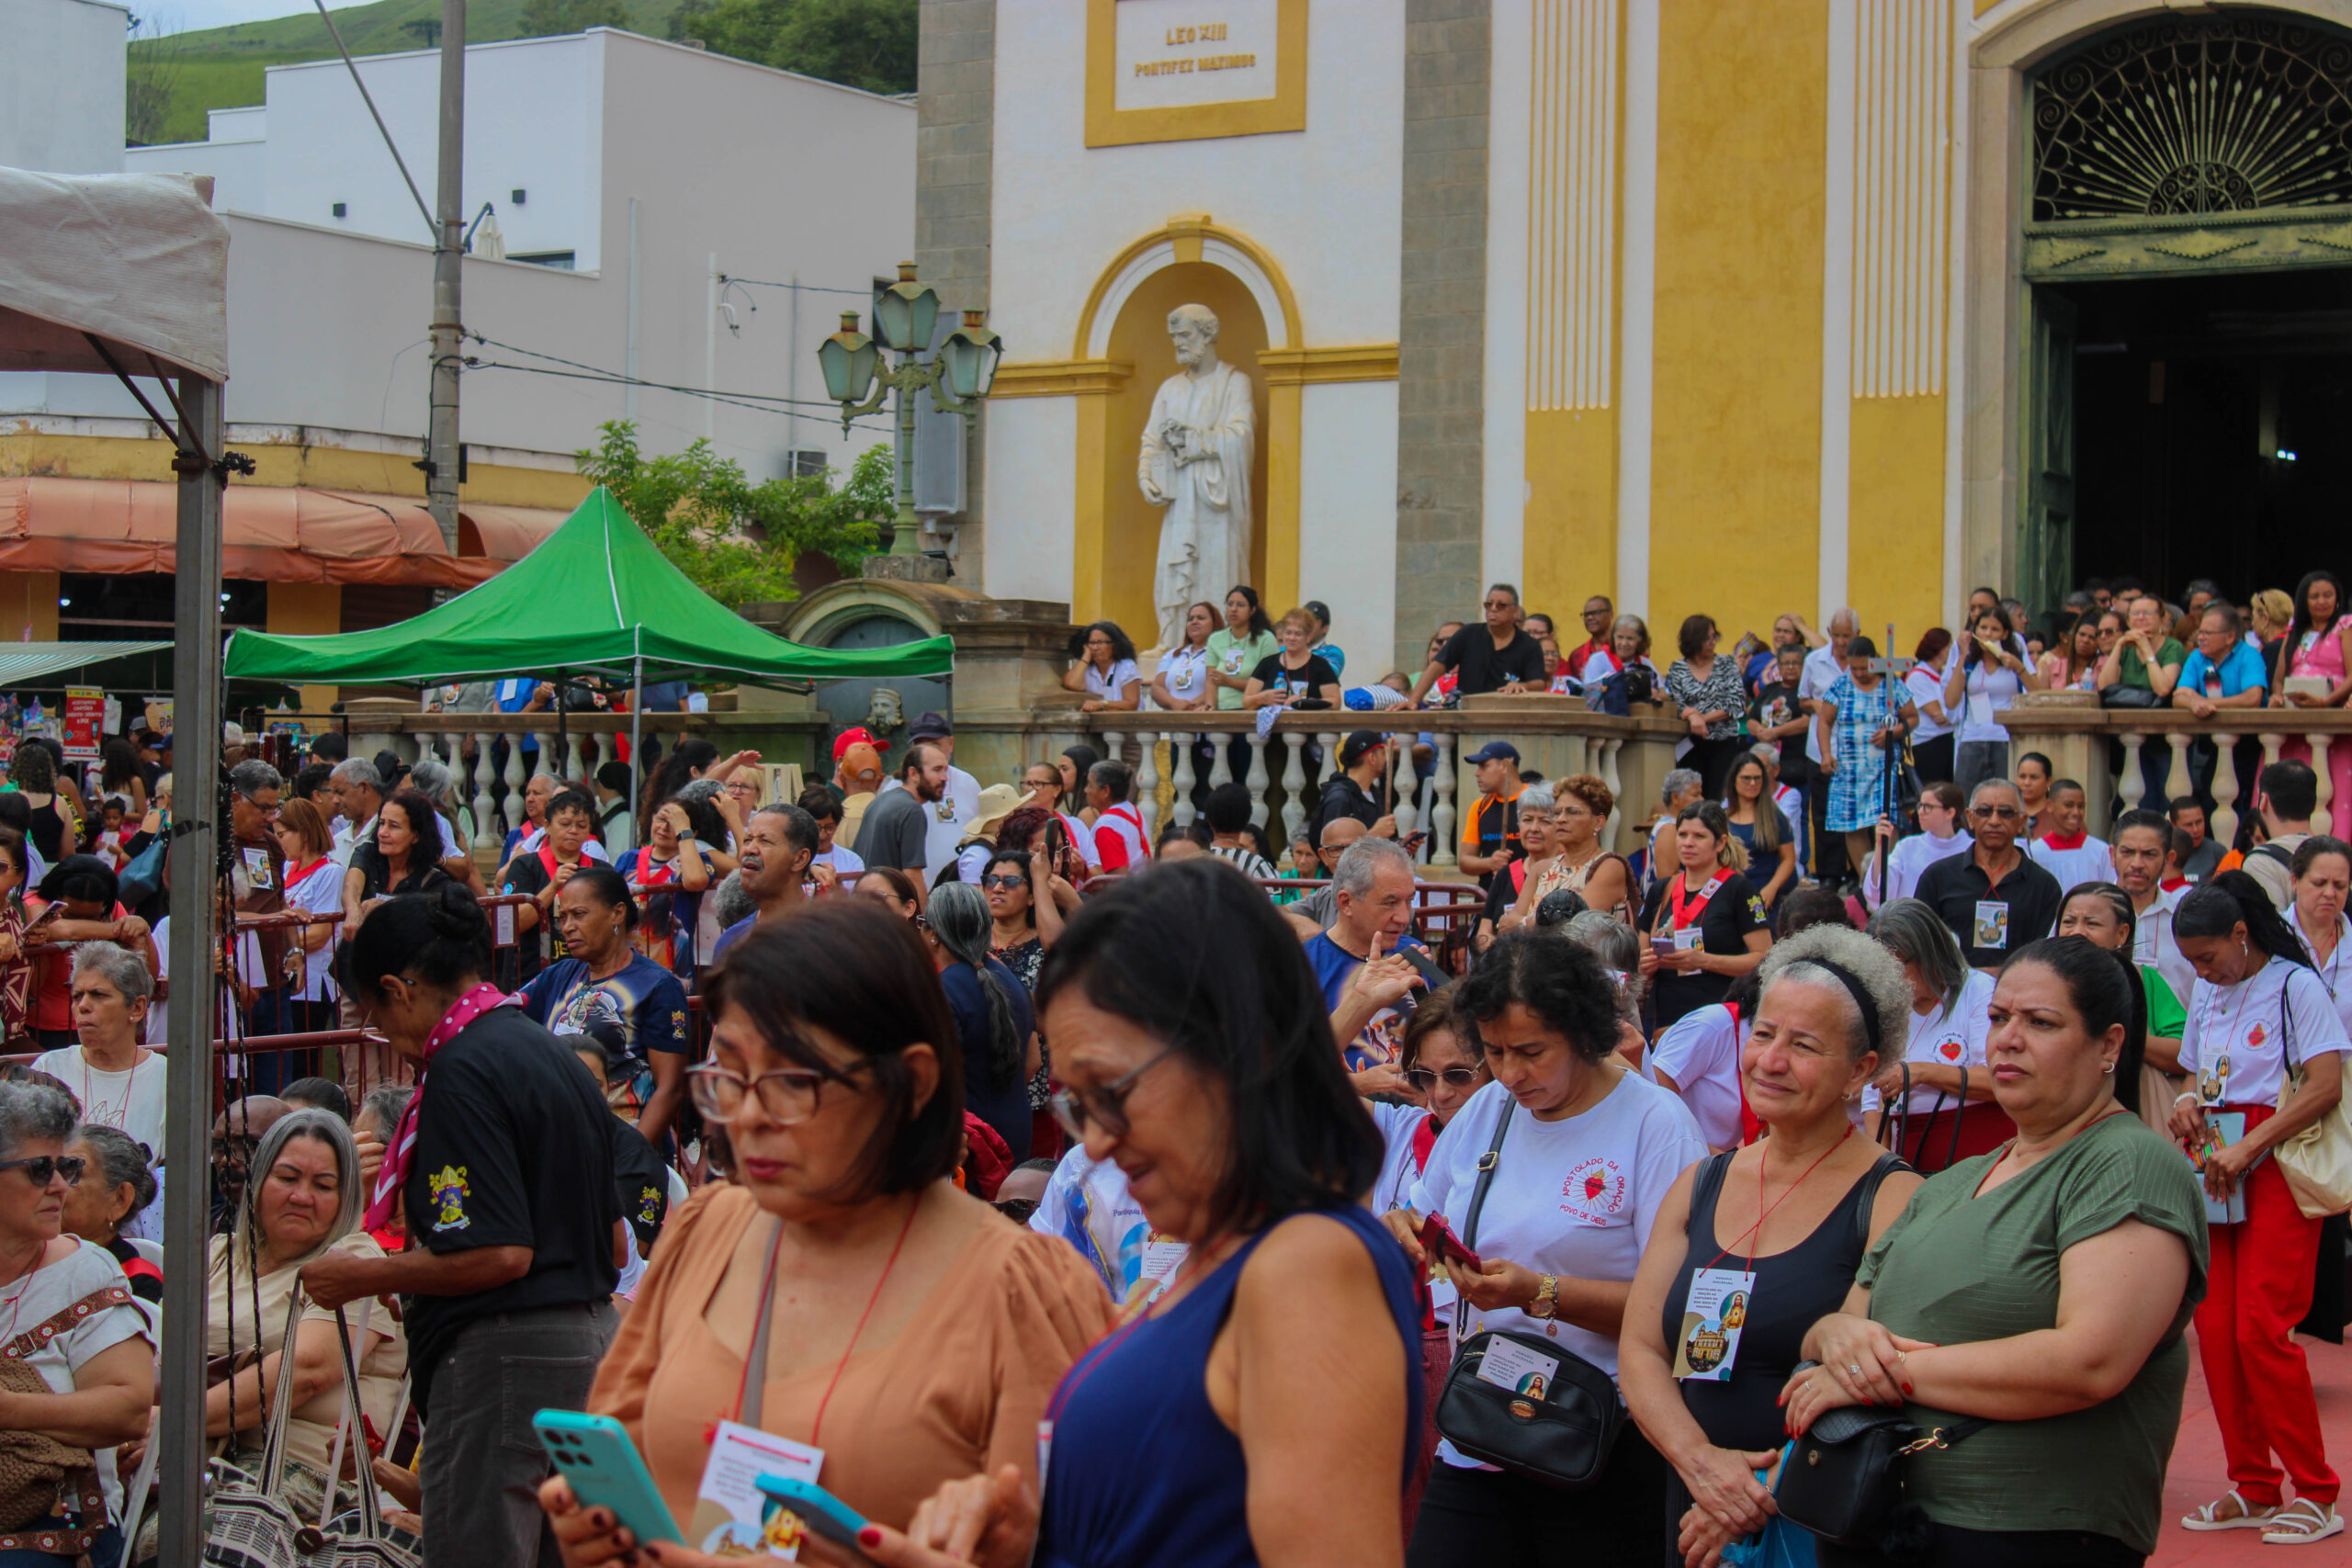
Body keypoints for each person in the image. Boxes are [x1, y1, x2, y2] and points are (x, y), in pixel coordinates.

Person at [849, 861, 1421, 1568]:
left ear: (1240, 1049)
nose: (1094, 1140)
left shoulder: (1307, 1265)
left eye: (1114, 1090)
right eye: (1078, 1103)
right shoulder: (1230, 1252)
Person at [541, 899, 1114, 1563]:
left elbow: (1076, 1533)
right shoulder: (708, 1231)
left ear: (914, 1081)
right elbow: (618, 1446)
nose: (747, 1115)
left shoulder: (1023, 1293)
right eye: (729, 1076)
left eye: (790, 1081)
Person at [1783, 935, 2210, 1567]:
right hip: (1876, 1513)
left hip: (2028, 1532)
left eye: (2041, 1022)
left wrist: (1874, 1373)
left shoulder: (2127, 1162)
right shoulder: (1952, 1181)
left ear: (2109, 1046)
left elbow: (2090, 1360)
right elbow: (1843, 1323)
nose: (2008, 1038)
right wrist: (1831, 1337)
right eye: (1999, 1017)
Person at [304, 883, 620, 1568]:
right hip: (589, 1343)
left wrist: (366, 1274)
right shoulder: (546, 1051)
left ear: (398, 988)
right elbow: (614, 1240)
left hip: (507, 1353)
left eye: (377, 1017)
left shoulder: (464, 1067)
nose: (387, 1039)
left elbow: (499, 1251)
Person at [1385, 928, 1707, 1568]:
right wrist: (1407, 1231)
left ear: (1585, 1032)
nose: (1509, 1073)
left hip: (1598, 1438)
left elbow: (1676, 1306)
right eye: (1495, 1052)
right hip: (1481, 1423)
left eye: (1531, 1051)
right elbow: (1422, 1206)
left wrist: (1540, 1294)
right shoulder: (1491, 1110)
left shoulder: (1655, 1123)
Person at [1623, 926, 1921, 1568]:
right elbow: (1643, 1348)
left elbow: (1865, 1373)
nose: (1771, 1059)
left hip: (1805, 1517)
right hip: (1695, 1508)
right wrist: (1702, 1467)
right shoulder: (1702, 1180)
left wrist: (1751, 1491)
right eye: (1762, 1034)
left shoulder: (1893, 1196)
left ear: (1861, 1070)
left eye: (1804, 1044)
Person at [2166, 873, 2346, 1543]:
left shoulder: (2296, 985)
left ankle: (2317, 1490)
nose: (2201, 970)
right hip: (2218, 1156)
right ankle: (2254, 1484)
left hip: (2274, 1161)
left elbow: (2325, 1084)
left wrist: (2253, 1147)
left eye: (2208, 956)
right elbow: (2193, 1070)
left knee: (2260, 1330)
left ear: (2242, 935)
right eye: (2191, 960)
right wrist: (2186, 1101)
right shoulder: (2211, 992)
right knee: (2215, 1331)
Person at [184, 1110, 408, 1520]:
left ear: (346, 1199)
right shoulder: (216, 1255)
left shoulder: (353, 1261)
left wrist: (175, 1424)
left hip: (300, 1482)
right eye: (287, 1178)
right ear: (258, 1180)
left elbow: (305, 1372)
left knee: (186, 1531)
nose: (301, 1196)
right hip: (196, 1461)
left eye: (324, 1185)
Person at [0, 1081, 153, 1567]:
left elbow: (128, 1411)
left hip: (56, 1519)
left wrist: (8, 1410)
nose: (60, 1187)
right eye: (40, 1169)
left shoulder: (86, 1271)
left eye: (66, 1168)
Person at [518, 866, 691, 1145]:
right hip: (559, 1143)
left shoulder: (658, 985)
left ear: (617, 913)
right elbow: (504, 1017)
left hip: (620, 1146)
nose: (568, 927)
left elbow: (669, 1089)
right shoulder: (558, 975)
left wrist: (632, 1159)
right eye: (562, 917)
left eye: (579, 914)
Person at [1861, 898, 2008, 1168]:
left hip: (1981, 1145)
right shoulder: (1886, 1004)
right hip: (1911, 1151)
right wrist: (1880, 1165)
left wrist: (1922, 1073)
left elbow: (2000, 1078)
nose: (1890, 979)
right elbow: (1874, 1098)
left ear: (1929, 953)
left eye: (1898, 967)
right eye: (1882, 970)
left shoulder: (1978, 991)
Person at [925, 880, 1038, 1164]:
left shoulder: (944, 989)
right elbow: (1033, 1061)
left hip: (972, 1141)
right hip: (1015, 1130)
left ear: (934, 934)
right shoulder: (1009, 980)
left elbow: (935, 1079)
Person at [2054, 882, 2179, 1132]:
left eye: (2092, 924)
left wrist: (2115, 1039)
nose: (2077, 932)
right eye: (2069, 922)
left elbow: (2183, 1054)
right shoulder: (2040, 982)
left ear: (2122, 934)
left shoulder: (2144, 981)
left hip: (2135, 1120)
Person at [33, 944, 167, 1175]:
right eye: (77, 996)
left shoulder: (167, 1078)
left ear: (137, 1007)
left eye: (98, 995)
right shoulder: (48, 1069)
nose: (82, 1006)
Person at [1638, 803, 1771, 1032]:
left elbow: (1765, 957)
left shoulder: (1740, 889)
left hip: (1717, 1016)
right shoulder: (1661, 889)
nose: (1688, 843)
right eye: (1682, 834)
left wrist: (1705, 961)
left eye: (1699, 836)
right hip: (1663, 1016)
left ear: (1720, 843)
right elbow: (1639, 953)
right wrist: (1644, 964)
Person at [1307, 837, 1430, 1076]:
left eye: (1409, 901)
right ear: (1346, 903)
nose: (1404, 918)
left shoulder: (1414, 955)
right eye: (1390, 903)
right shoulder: (1302, 967)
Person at [1917, 778, 2064, 972]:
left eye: (2006, 813)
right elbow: (1920, 947)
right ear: (1970, 818)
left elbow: (2048, 959)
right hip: (1953, 994)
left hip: (2018, 995)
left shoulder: (2044, 886)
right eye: (1985, 811)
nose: (1994, 821)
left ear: (2022, 821)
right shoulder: (1937, 877)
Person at [23, 859, 154, 1053]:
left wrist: (141, 928)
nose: (85, 923)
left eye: (92, 917)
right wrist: (116, 930)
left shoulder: (112, 908)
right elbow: (59, 930)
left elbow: (148, 972)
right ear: (58, 897)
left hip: (105, 1023)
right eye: (74, 915)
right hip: (44, 1028)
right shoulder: (34, 901)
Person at [1816, 634, 1920, 879]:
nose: (1860, 673)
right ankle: (1867, 882)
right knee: (1852, 825)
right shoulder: (1841, 685)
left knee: (1884, 818)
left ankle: (1888, 876)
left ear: (1876, 662)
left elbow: (1912, 717)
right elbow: (1824, 720)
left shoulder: (1891, 685)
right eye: (1855, 668)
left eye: (1865, 667)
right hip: (1849, 768)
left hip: (1883, 766)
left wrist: (1894, 733)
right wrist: (1825, 754)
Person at [2272, 570, 2352, 830]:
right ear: (2303, 601)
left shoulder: (2345, 625)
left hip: (2331, 716)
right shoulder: (2295, 629)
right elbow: (2279, 677)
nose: (2322, 601)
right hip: (2297, 720)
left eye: (2328, 595)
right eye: (2314, 596)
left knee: (2333, 791)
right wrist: (2277, 696)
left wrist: (2324, 702)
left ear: (2338, 598)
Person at [501, 787, 605, 979]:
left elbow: (615, 925)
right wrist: (553, 887)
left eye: (581, 825)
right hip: (531, 975)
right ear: (547, 826)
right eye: (565, 824)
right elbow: (510, 924)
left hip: (588, 975)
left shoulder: (601, 870)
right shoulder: (525, 866)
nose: (573, 830)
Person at [1511, 772, 1631, 927]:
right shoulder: (1541, 868)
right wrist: (1529, 924)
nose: (1561, 819)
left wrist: (1521, 924)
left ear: (1599, 822)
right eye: (1557, 812)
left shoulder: (1609, 866)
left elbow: (1572, 926)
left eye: (1573, 812)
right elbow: (1505, 925)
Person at [60, 1122, 160, 1305]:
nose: (52, 1185)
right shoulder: (23, 1264)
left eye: (70, 1172)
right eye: (45, 1171)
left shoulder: (138, 1281)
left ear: (119, 1200)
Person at [2102, 593, 2188, 804]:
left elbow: (2163, 687)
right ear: (2128, 620)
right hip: (2132, 735)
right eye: (2135, 614)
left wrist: (2147, 649)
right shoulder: (2125, 650)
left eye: (2148, 613)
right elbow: (2105, 686)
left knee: (2168, 799)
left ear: (2161, 618)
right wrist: (2119, 646)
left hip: (2166, 737)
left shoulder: (2172, 648)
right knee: (2140, 800)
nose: (2141, 618)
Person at [1946, 604, 2037, 800]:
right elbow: (1951, 701)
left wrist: (2019, 667)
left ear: (2005, 635)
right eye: (1983, 628)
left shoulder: (2013, 661)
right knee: (1967, 800)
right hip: (1972, 739)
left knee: (2006, 798)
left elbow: (2038, 694)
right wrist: (1961, 657)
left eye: (1995, 629)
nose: (1988, 634)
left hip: (2005, 739)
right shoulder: (1970, 663)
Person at [711, 804, 822, 964]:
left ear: (799, 859)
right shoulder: (731, 941)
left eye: (765, 841)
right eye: (747, 840)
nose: (750, 849)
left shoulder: (824, 939)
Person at [1406, 582, 1546, 706]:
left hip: (1507, 710)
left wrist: (1522, 685)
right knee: (1440, 738)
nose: (1493, 609)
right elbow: (1437, 666)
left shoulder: (1529, 645)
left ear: (1515, 612)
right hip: (1466, 709)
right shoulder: (1468, 633)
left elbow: (1539, 683)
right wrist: (1413, 701)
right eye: (1488, 604)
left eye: (1501, 605)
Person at [2108, 807, 2194, 1005]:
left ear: (2168, 860)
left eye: (2149, 854)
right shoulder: (2083, 913)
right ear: (2112, 854)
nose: (2137, 863)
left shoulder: (2186, 919)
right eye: (2127, 852)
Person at [270, 798, 344, 1033]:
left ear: (303, 830)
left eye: (282, 835)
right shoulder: (283, 869)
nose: (279, 842)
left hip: (313, 983)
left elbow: (319, 936)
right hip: (285, 977)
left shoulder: (331, 872)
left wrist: (272, 942)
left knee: (303, 1058)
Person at [343, 787, 453, 942]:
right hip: (354, 959)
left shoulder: (435, 881)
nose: (382, 832)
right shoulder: (368, 853)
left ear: (416, 835)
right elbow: (351, 885)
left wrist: (387, 909)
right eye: (381, 823)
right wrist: (354, 910)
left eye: (393, 826)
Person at [1666, 615, 1753, 798]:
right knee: (1689, 795)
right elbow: (1676, 703)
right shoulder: (1678, 668)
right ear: (1694, 639)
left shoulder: (1727, 664)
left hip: (1723, 742)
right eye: (1708, 638)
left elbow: (1736, 703)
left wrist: (1701, 718)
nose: (1713, 642)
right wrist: (1690, 715)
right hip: (1690, 743)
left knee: (1718, 796)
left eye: (1715, 637)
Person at [856, 742, 951, 896]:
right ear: (913, 773)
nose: (944, 778)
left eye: (946, 770)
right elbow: (913, 876)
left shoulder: (879, 801)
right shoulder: (912, 810)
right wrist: (922, 918)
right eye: (937, 770)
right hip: (888, 907)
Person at [1867, 779, 1970, 909]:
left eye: (1928, 807)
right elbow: (1880, 892)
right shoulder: (1906, 847)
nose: (1920, 812)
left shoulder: (1971, 848)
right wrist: (1880, 847)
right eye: (1920, 805)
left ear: (1950, 813)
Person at [2288, 835, 2352, 1023]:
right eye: (2319, 883)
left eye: (2340, 885)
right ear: (2294, 881)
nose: (2330, 893)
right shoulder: (2269, 938)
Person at [1723, 750, 1795, 912]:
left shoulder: (1774, 816)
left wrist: (1772, 887)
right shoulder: (1722, 817)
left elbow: (1789, 859)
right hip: (1729, 895)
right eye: (1746, 778)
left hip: (1765, 896)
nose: (1753, 784)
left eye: (1757, 778)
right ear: (1733, 780)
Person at [2245, 758, 2320, 912]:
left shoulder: (2261, 862)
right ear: (2313, 805)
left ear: (2263, 801)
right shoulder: (2337, 853)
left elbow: (2269, 931)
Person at [1243, 606, 1344, 710]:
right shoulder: (1267, 663)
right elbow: (1247, 702)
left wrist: (1306, 703)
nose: (1292, 638)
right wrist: (1261, 698)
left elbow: (1335, 703)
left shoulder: (1321, 665)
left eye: (1298, 634)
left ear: (1309, 636)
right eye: (1288, 633)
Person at [2024, 777, 2110, 891]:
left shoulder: (2101, 851)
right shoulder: (2034, 852)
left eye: (2081, 806)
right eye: (2068, 805)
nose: (2076, 812)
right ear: (2050, 806)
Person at [1457, 741, 1523, 888]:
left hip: (1528, 898)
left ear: (1505, 766)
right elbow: (1464, 861)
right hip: (1488, 899)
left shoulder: (1534, 801)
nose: (1477, 773)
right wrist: (1490, 862)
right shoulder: (1480, 807)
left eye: (1484, 766)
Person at [1317, 730, 1401, 845]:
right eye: (1382, 754)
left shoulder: (1374, 794)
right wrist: (1373, 835)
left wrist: (1402, 846)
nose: (1386, 759)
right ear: (1372, 758)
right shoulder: (1339, 799)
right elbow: (1334, 852)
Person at [1750, 642, 1814, 793]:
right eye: (1786, 663)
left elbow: (1807, 721)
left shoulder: (1806, 692)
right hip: (1766, 766)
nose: (1791, 667)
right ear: (1778, 666)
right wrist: (1760, 731)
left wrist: (1774, 732)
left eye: (1796, 663)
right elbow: (1752, 718)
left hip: (1795, 764)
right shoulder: (1770, 689)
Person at [1205, 584, 1279, 710]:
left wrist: (1229, 682)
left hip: (1253, 709)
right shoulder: (1215, 639)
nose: (1234, 609)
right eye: (1230, 604)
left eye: (1240, 605)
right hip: (1220, 710)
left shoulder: (1266, 639)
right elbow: (1210, 680)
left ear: (1253, 610)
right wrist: (1210, 706)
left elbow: (1269, 683)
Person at [6, 742, 76, 864]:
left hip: (16, 870)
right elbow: (68, 853)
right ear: (49, 770)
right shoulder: (59, 803)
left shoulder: (9, 799)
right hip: (50, 874)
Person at [1151, 600, 1218, 712]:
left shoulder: (1219, 654)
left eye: (1201, 618)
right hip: (1171, 723)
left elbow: (1219, 685)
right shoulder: (1173, 655)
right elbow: (1157, 688)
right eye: (1190, 619)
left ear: (1214, 623)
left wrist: (1190, 705)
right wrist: (1173, 703)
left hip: (1202, 719)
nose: (1194, 622)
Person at [1086, 760, 1151, 872]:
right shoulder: (1133, 810)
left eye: (1090, 785)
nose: (1086, 790)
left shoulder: (1106, 825)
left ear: (1106, 791)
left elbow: (1115, 878)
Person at [1063, 621, 1142, 712]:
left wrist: (1102, 704)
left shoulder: (1126, 667)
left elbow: (1131, 704)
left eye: (1100, 642)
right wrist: (1086, 656)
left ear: (1114, 645)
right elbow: (1071, 684)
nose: (1095, 648)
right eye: (1092, 643)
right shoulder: (1087, 669)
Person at [1202, 782, 1274, 879]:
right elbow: (1275, 893)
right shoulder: (1256, 864)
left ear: (1210, 823)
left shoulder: (1194, 860)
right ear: (1246, 822)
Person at [2040, 612, 2102, 694]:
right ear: (2074, 636)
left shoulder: (2102, 667)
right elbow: (2041, 698)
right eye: (2082, 634)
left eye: (2092, 637)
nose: (2085, 640)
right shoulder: (2054, 668)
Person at [2172, 795, 2226, 885]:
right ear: (2173, 825)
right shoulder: (2163, 852)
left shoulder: (2217, 851)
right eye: (2188, 825)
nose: (2196, 830)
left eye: (2199, 822)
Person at [593, 761, 636, 854]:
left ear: (604, 785)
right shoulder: (625, 816)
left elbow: (615, 857)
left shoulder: (624, 819)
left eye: (597, 783)